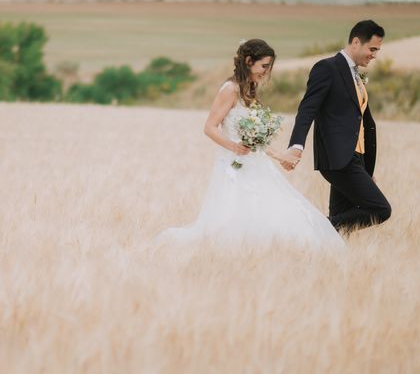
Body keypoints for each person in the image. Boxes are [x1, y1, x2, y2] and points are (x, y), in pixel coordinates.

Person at [157, 39, 344, 249]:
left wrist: (278, 155)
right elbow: (209, 127)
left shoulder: (250, 89)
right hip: (234, 163)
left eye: (269, 67)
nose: (266, 72)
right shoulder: (231, 89)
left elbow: (255, 140)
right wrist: (234, 147)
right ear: (248, 61)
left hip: (256, 162)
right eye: (264, 66)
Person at [283, 20, 391, 232]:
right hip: (338, 158)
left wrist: (366, 169)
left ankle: (326, 250)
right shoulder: (327, 68)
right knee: (380, 209)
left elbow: (361, 120)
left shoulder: (356, 75)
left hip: (355, 159)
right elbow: (307, 109)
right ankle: (313, 229)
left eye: (378, 50)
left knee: (341, 223)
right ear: (356, 42)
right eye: (372, 49)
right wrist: (296, 145)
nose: (375, 55)